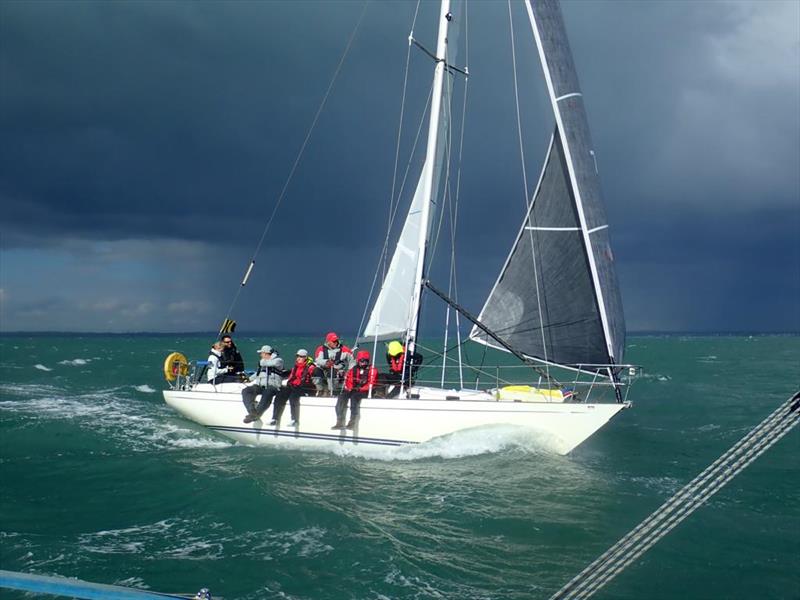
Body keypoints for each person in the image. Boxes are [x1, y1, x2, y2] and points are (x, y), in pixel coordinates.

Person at [333, 349, 377, 430]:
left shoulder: (372, 370)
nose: (363, 363)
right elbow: (348, 380)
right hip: (352, 389)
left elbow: (371, 383)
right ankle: (339, 421)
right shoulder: (352, 369)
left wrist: (360, 389)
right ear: (358, 361)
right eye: (362, 361)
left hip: (363, 391)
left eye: (366, 361)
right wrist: (350, 388)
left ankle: (352, 422)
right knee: (341, 397)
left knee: (354, 398)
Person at [270, 349, 315, 427]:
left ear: (305, 357)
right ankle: (275, 418)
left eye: (301, 357)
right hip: (294, 386)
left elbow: (314, 379)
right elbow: (291, 377)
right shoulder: (296, 367)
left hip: (305, 387)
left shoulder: (311, 367)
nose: (298, 358)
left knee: (293, 397)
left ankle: (294, 419)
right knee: (281, 394)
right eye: (297, 356)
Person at [241, 345, 284, 423]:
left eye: (261, 353)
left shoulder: (278, 360)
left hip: (273, 386)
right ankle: (252, 411)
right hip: (261, 386)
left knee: (268, 392)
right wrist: (248, 379)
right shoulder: (263, 362)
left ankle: (257, 414)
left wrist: (262, 361)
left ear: (266, 353)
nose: (260, 355)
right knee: (246, 391)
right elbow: (258, 373)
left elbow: (270, 363)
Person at [312, 332, 353, 396]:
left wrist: (350, 371)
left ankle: (332, 391)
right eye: (333, 341)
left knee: (332, 372)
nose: (336, 342)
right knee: (316, 371)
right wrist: (326, 362)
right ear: (328, 342)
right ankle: (320, 390)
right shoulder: (320, 349)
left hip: (337, 370)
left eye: (336, 341)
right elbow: (318, 360)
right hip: (324, 368)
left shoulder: (345, 349)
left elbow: (352, 361)